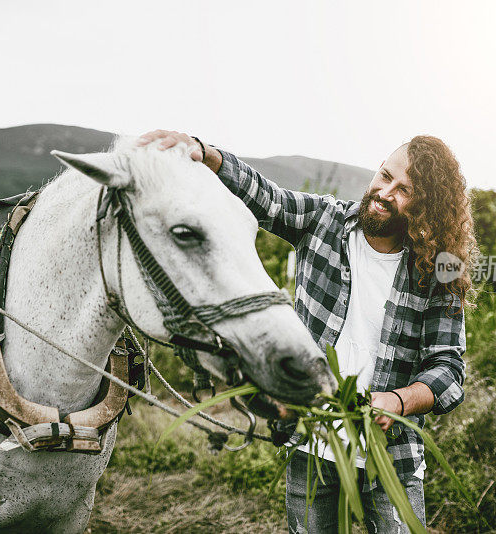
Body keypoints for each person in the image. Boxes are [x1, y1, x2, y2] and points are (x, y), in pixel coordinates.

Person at [137, 130, 476, 533]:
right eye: (384, 175)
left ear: (426, 207)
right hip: (311, 446)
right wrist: (207, 154)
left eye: (404, 190)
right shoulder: (324, 221)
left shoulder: (443, 265)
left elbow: (449, 370)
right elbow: (267, 197)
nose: (384, 192)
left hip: (393, 458)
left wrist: (396, 402)